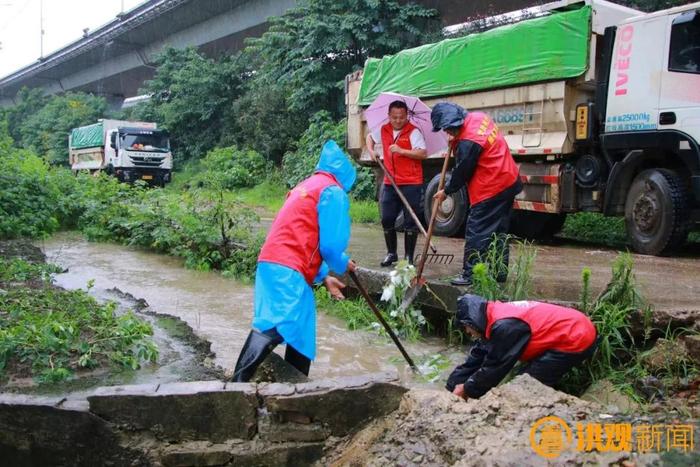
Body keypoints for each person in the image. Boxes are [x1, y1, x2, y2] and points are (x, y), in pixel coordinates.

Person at [232, 140, 357, 382]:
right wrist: (343, 263)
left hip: (272, 263)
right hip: (289, 268)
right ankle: (237, 385)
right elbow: (330, 245)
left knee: (299, 330)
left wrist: (324, 277)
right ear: (344, 176)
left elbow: (305, 237)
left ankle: (294, 391)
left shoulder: (307, 186)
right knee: (274, 326)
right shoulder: (333, 191)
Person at [431, 102, 522, 286]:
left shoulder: (468, 142)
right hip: (508, 180)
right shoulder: (478, 117)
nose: (449, 131)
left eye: (449, 129)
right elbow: (469, 144)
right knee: (499, 231)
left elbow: (462, 172)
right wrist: (455, 141)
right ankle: (499, 272)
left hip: (491, 187)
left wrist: (446, 191)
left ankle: (470, 274)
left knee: (477, 230)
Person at [446, 294, 598, 400]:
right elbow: (477, 357)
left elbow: (495, 368)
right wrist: (451, 386)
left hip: (576, 337)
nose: (467, 331)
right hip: (571, 327)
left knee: (523, 387)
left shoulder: (504, 326)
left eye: (466, 326)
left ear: (473, 322)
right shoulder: (492, 317)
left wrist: (467, 389)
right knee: (520, 380)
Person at [367, 100, 428, 266]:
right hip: (390, 181)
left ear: (406, 116)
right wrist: (372, 151)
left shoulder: (413, 132)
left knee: (410, 221)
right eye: (394, 117)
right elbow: (369, 137)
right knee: (387, 218)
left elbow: (422, 153)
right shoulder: (384, 129)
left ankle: (408, 258)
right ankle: (391, 253)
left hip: (411, 182)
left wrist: (402, 151)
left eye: (401, 117)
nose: (398, 120)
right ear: (389, 116)